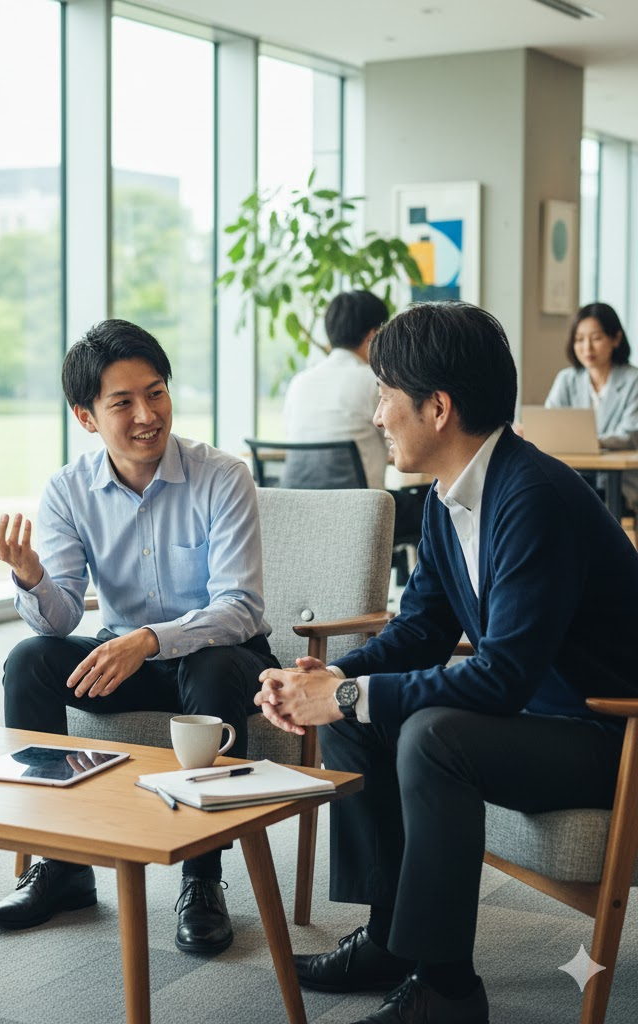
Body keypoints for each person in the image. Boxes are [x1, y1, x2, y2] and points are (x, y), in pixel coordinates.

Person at [255, 301, 638, 1024]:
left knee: (432, 736)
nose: (376, 415)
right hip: (542, 719)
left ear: (437, 408)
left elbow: (503, 676)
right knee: (361, 711)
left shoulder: (534, 497)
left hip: (610, 734)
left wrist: (347, 693)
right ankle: (390, 940)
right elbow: (424, 628)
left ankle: (447, 989)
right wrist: (334, 682)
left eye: (385, 396)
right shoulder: (447, 498)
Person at [0, 318, 280, 954]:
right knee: (29, 660)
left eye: (156, 392)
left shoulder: (222, 476)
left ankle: (202, 880)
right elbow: (61, 620)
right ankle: (61, 865)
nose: (147, 415)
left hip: (224, 657)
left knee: (213, 667)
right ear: (86, 417)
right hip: (127, 660)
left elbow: (239, 607)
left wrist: (146, 639)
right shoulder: (68, 490)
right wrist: (32, 578)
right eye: (123, 402)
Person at [283, 289, 427, 550]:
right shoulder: (375, 381)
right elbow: (405, 442)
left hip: (298, 514)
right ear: (373, 335)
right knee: (430, 506)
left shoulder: (299, 383)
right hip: (361, 515)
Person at [545, 301, 638, 509]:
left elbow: (630, 434)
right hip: (574, 474)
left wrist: (588, 441)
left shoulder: (634, 380)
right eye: (579, 339)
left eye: (596, 338)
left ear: (616, 339)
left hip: (621, 480)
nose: (587, 347)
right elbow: (550, 425)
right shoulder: (567, 379)